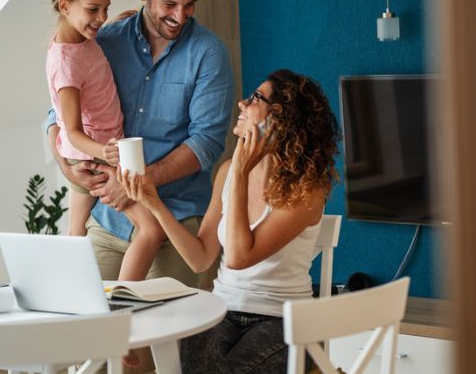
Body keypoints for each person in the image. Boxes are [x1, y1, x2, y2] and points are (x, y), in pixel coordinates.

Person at [118, 69, 340, 373]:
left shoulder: (306, 189)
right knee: (183, 354)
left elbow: (237, 257)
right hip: (221, 310)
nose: (242, 104)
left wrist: (241, 170)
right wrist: (153, 202)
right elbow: (201, 258)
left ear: (281, 117)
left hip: (283, 322)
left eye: (256, 98)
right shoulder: (227, 172)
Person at [46, 0, 234, 288]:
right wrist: (68, 167)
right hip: (109, 216)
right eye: (169, 4)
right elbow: (57, 113)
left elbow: (206, 144)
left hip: (174, 216)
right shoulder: (105, 40)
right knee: (83, 323)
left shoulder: (209, 54)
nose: (180, 17)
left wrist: (138, 181)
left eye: (189, 5)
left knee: (156, 336)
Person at [46, 0, 166, 281]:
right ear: (65, 6)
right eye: (92, 10)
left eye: (105, 9)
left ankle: (72, 297)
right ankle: (122, 303)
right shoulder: (65, 65)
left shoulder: (82, 41)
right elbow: (69, 130)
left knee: (76, 233)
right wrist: (105, 155)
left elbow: (89, 59)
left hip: (96, 151)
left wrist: (111, 25)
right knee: (150, 230)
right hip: (93, 155)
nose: (99, 17)